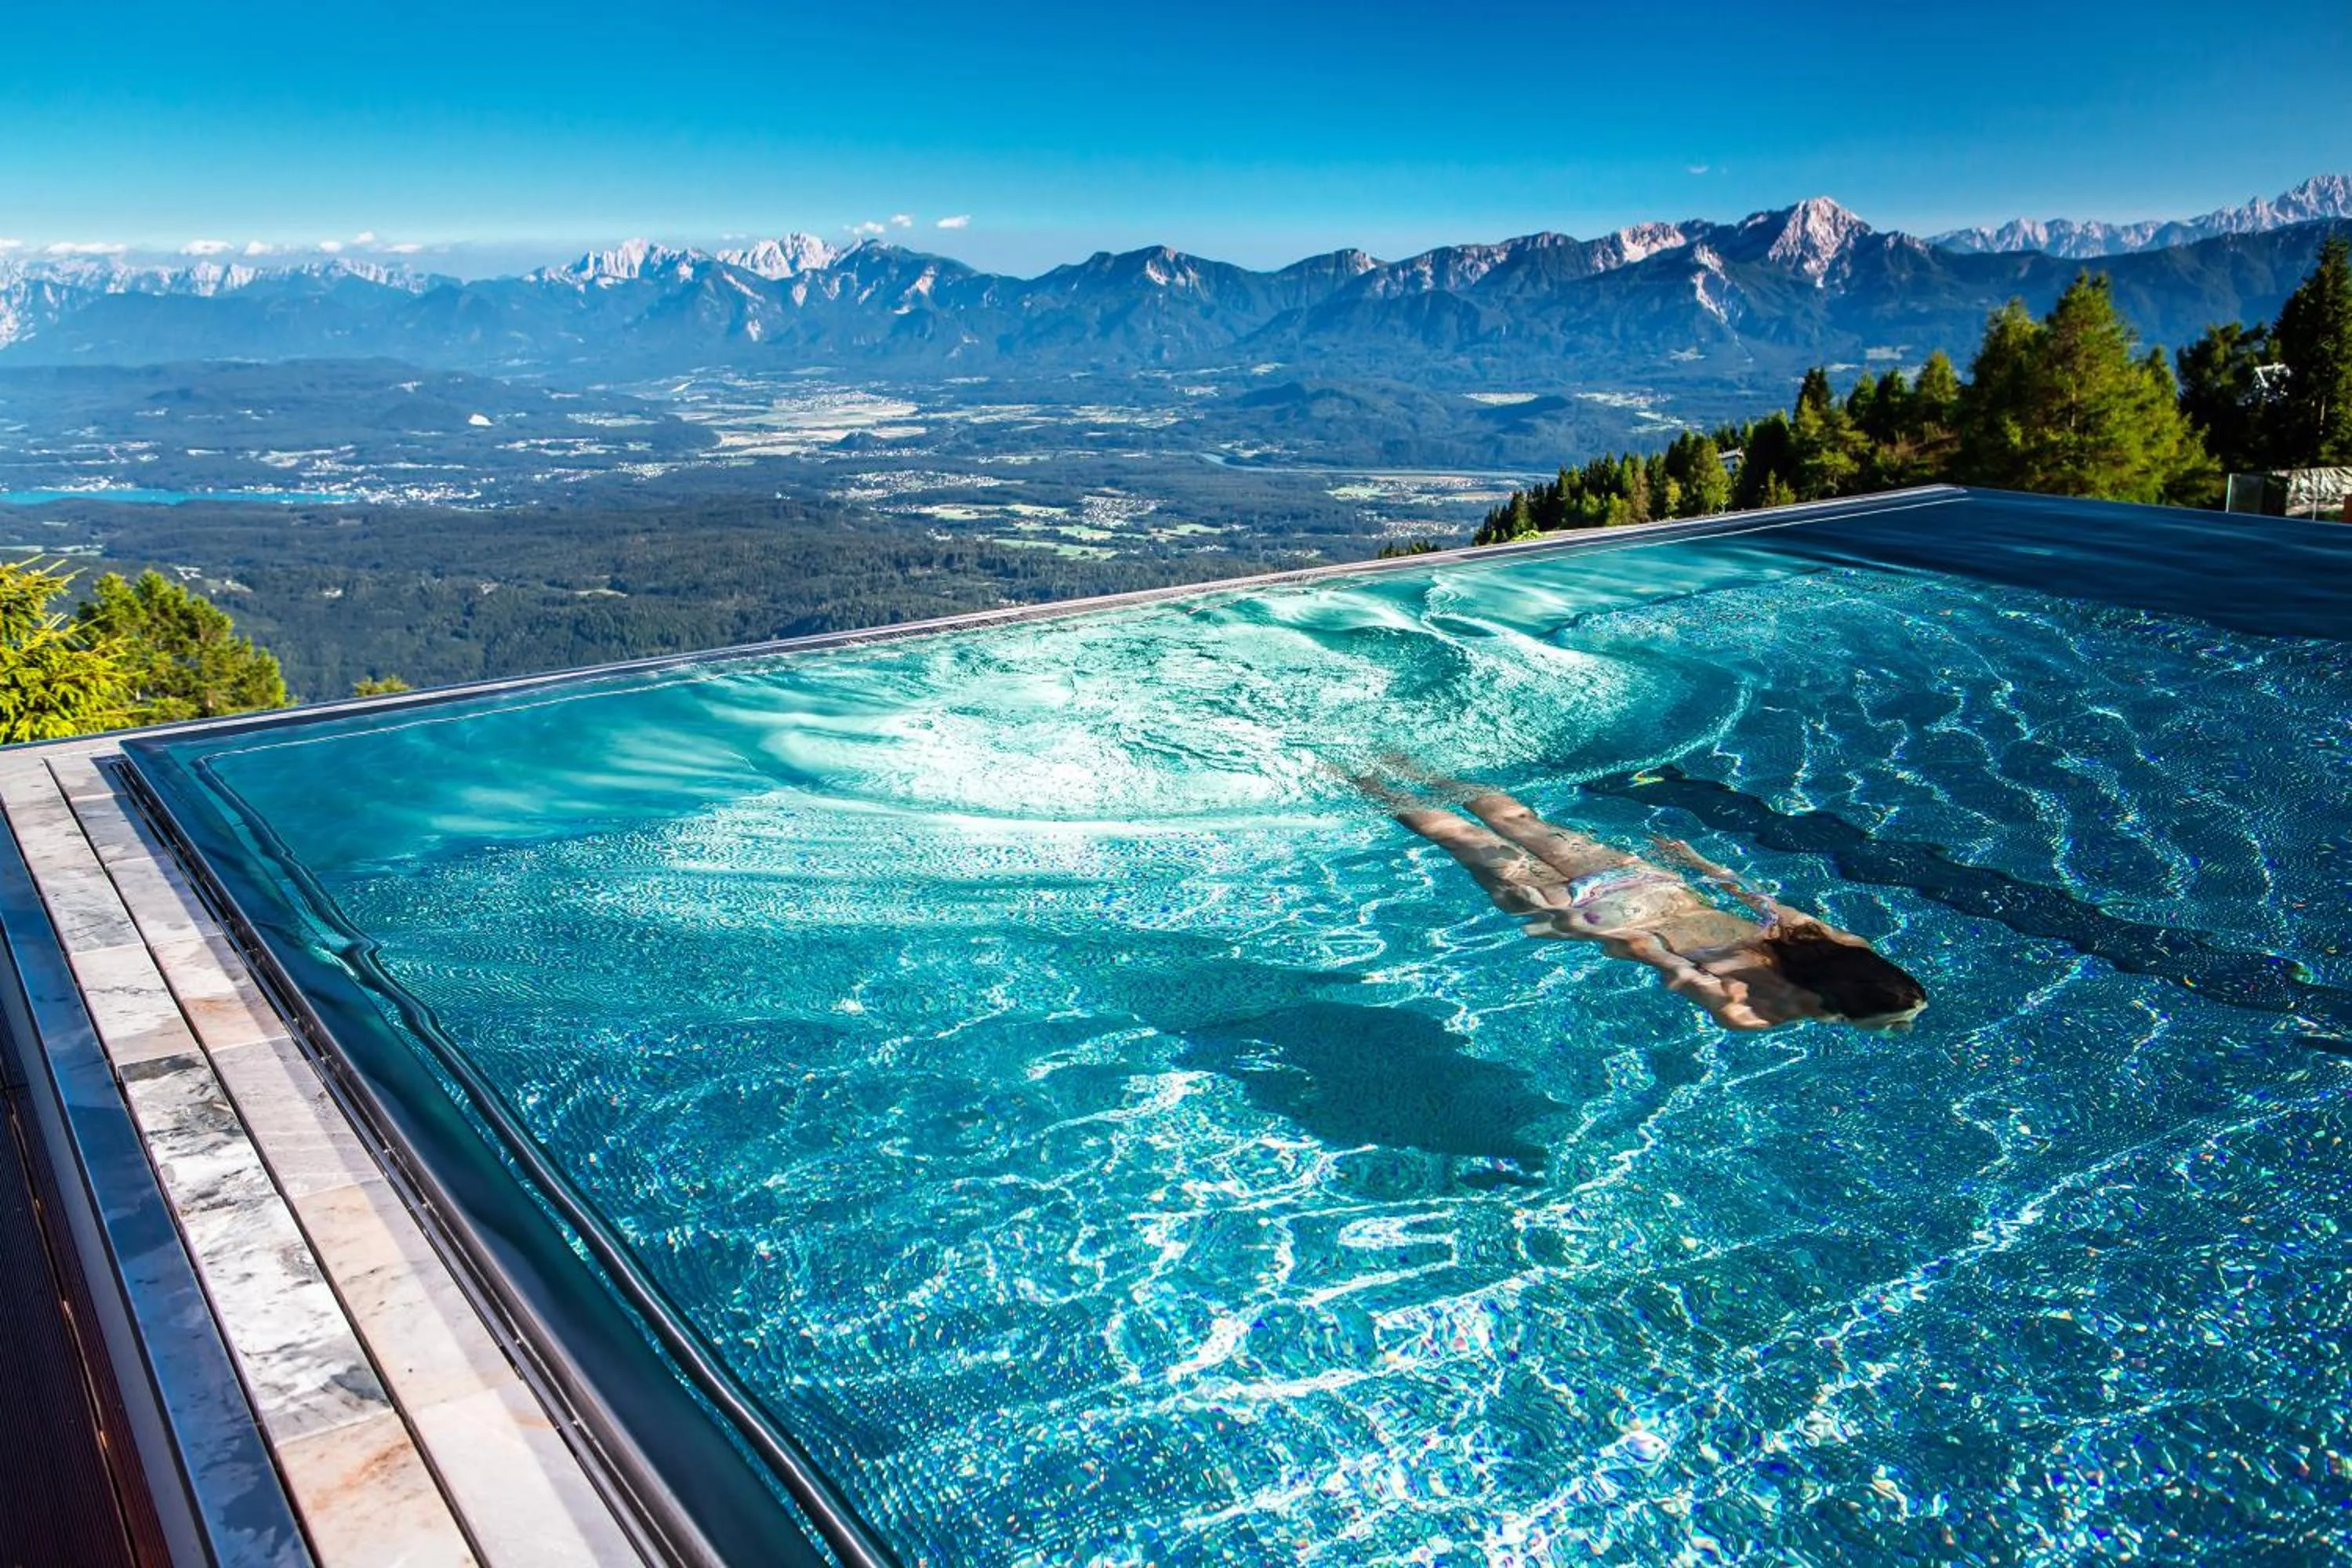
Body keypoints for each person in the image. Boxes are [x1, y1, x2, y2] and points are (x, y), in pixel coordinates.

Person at [1356, 766, 1927, 1032]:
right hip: (1607, 916)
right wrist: (1603, 935)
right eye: (1897, 1020)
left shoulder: (1836, 943)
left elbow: (1763, 902)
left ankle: (1394, 755)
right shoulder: (1756, 1011)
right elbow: (1672, 968)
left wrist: (1696, 864)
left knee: (1514, 817)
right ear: (1845, 1009)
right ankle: (1351, 771)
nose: (1900, 1029)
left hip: (1654, 885)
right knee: (1455, 836)